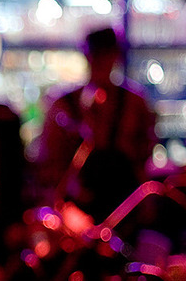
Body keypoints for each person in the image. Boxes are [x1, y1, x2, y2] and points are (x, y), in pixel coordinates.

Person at [38, 27, 156, 223]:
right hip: (77, 205)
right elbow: (49, 160)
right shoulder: (63, 104)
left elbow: (145, 152)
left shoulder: (135, 102)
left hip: (124, 203)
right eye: (98, 54)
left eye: (106, 54)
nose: (101, 61)